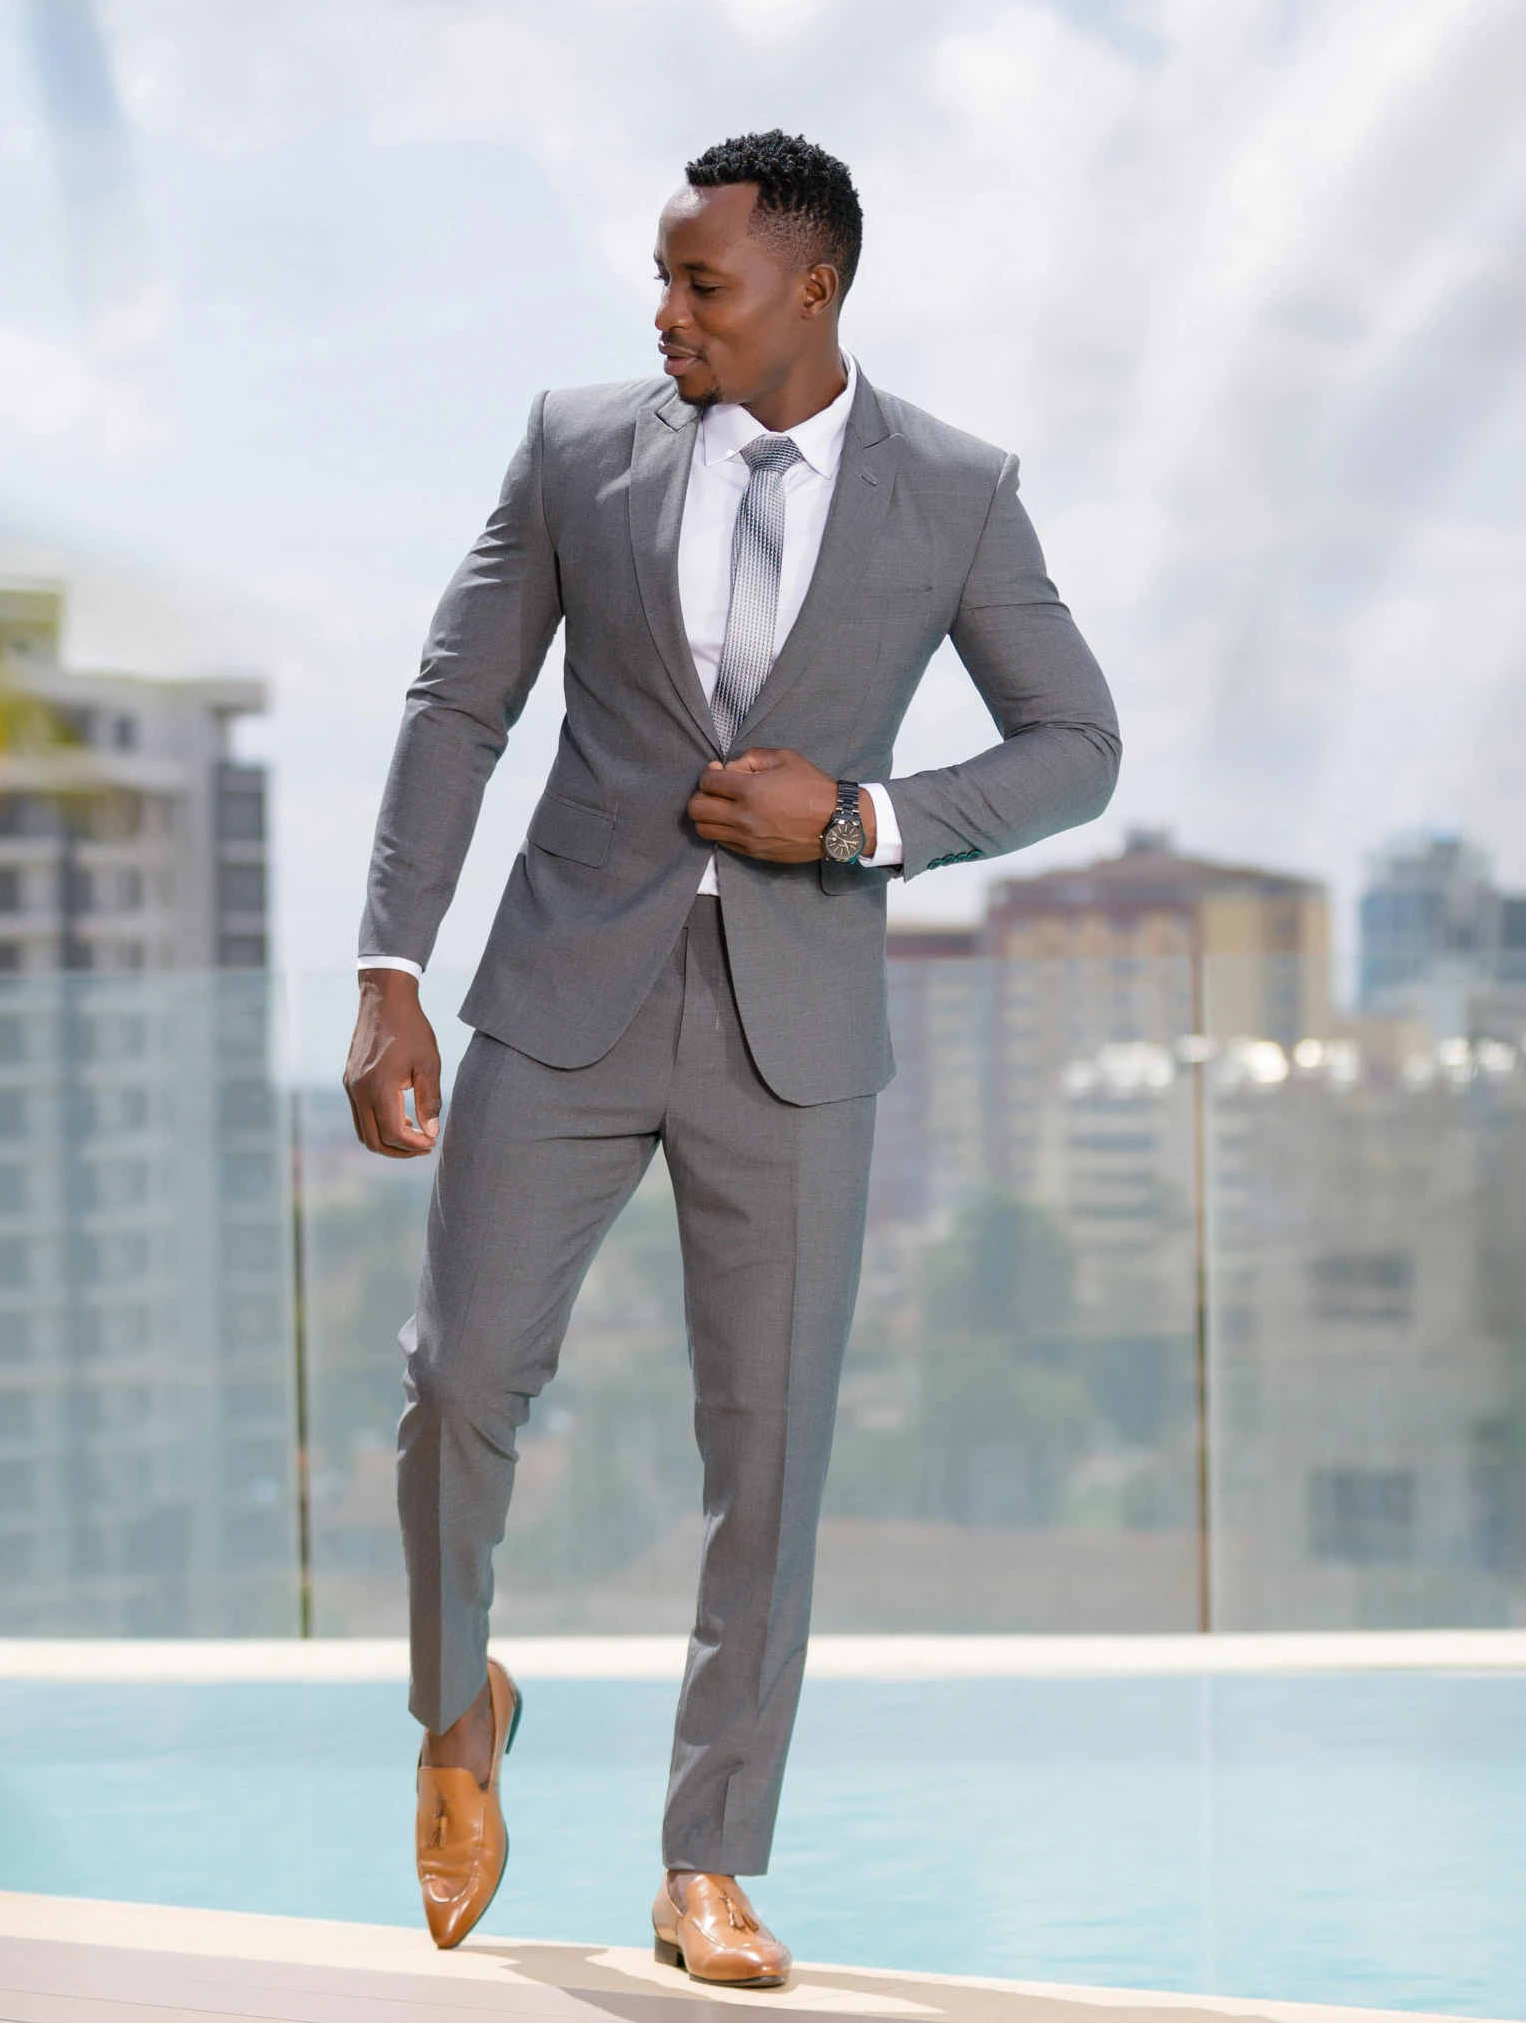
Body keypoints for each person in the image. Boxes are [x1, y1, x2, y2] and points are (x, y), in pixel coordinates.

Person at [344, 129, 1120, 1981]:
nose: (668, 312)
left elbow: (1074, 742)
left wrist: (859, 816)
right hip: (558, 997)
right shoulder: (572, 447)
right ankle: (458, 1709)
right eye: (664, 279)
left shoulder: (953, 490)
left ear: (813, 289)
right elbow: (462, 702)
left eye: (704, 283)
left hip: (798, 1035)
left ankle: (708, 1860)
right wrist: (390, 962)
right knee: (459, 1382)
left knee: (765, 1455)